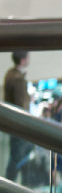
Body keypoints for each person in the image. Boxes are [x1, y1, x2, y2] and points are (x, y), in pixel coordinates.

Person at [3, 51, 32, 183]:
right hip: (19, 125)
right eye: (28, 57)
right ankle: (9, 187)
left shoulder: (10, 74)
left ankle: (9, 186)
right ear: (22, 60)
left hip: (12, 123)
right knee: (17, 157)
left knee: (15, 156)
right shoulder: (18, 79)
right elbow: (21, 105)